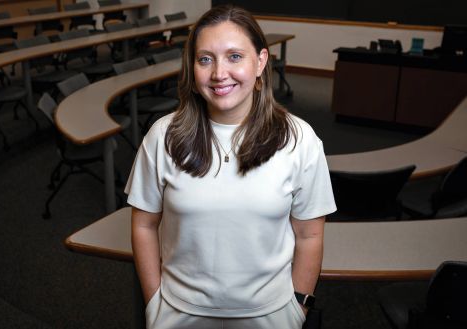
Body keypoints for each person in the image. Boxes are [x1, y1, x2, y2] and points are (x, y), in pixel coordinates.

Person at [125, 5, 336, 329]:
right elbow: (143, 226)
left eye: (234, 56)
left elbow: (309, 235)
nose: (219, 73)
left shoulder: (299, 139)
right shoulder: (162, 136)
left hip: (271, 317)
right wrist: (155, 304)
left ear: (261, 62)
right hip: (177, 315)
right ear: (192, 69)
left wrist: (297, 308)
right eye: (205, 59)